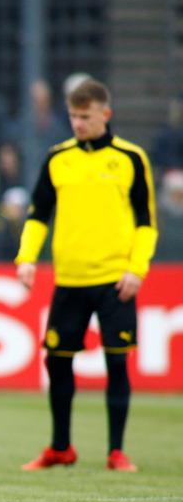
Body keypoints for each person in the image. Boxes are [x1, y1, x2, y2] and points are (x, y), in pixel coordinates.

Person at [17, 79, 157, 473]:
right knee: (57, 362)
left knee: (117, 364)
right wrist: (26, 257)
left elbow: (146, 222)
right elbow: (37, 215)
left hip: (116, 281)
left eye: (85, 116)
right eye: (73, 116)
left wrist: (136, 269)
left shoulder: (130, 158)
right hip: (70, 281)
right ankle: (60, 447)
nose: (77, 124)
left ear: (105, 115)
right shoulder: (58, 158)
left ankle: (116, 451)